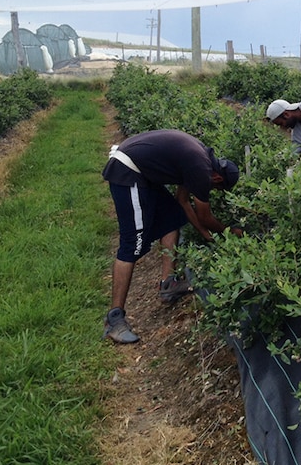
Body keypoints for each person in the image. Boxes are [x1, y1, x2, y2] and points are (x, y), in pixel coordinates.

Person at [101, 129, 240, 344]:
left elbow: (182, 202)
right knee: (132, 244)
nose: (212, 191)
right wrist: (230, 233)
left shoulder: (200, 160)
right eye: (216, 188)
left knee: (173, 218)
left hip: (142, 172)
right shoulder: (201, 170)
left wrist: (205, 234)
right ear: (217, 177)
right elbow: (205, 216)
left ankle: (168, 284)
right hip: (128, 171)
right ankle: (114, 319)